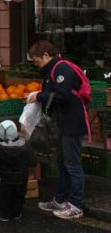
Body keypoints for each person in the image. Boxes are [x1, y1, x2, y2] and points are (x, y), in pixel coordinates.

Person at [27, 40, 87, 220]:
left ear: (46, 55)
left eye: (37, 60)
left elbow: (63, 95)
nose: (36, 63)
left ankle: (76, 205)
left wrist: (38, 96)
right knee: (62, 162)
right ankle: (61, 199)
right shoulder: (50, 71)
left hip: (71, 123)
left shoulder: (61, 69)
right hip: (62, 123)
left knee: (72, 164)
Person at [0, 119, 36, 222]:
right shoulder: (25, 144)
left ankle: (4, 215)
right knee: (19, 196)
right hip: (22, 177)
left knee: (5, 196)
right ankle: (16, 213)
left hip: (6, 178)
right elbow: (33, 161)